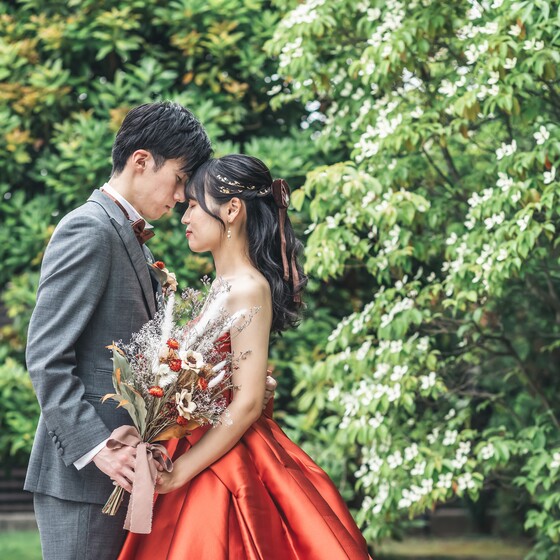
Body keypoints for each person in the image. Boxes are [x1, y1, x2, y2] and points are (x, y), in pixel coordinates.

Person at [24, 103, 276, 560]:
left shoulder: (130, 238)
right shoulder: (89, 228)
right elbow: (46, 357)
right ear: (141, 161)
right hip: (85, 479)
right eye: (179, 180)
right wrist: (99, 449)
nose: (180, 197)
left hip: (132, 472)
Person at [118, 154, 372, 559]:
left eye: (194, 206)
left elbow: (249, 401)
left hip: (226, 460)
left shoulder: (248, 287)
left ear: (232, 210)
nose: (185, 217)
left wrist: (181, 472)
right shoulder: (223, 284)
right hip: (199, 444)